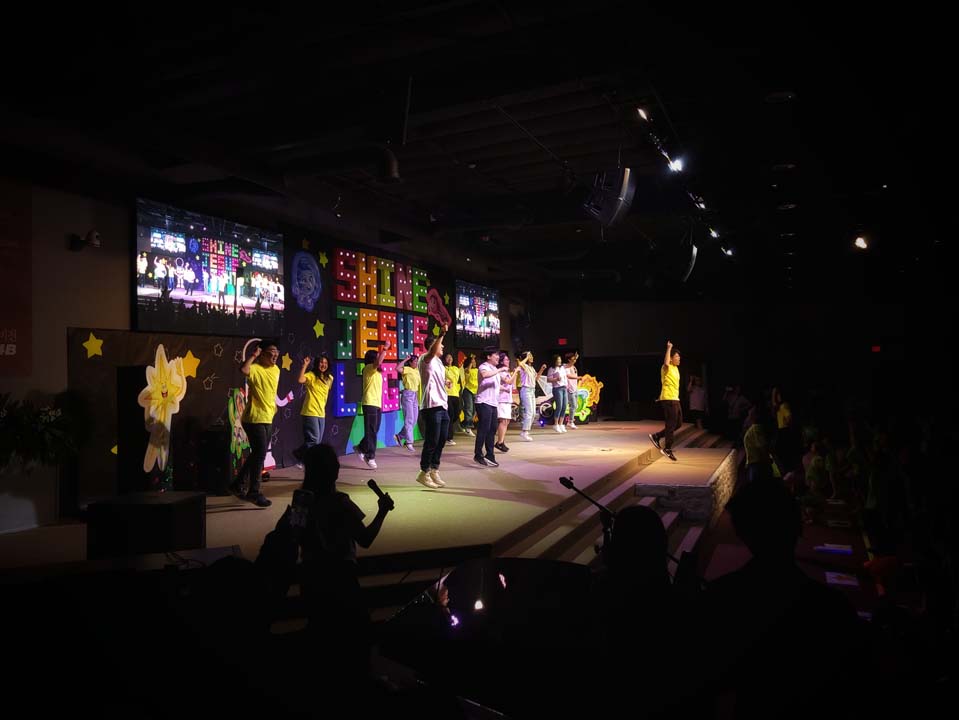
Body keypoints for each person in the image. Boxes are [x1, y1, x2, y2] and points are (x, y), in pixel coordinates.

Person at [231, 340, 280, 506]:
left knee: (258, 454)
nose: (275, 356)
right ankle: (254, 492)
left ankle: (238, 484)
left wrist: (273, 406)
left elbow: (270, 390)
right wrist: (254, 355)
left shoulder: (276, 370)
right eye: (271, 352)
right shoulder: (255, 368)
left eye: (277, 353)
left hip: (268, 417)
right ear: (263, 354)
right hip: (253, 418)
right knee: (259, 454)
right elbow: (244, 369)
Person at [417, 324, 450, 489]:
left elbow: (436, 380)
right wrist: (441, 334)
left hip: (442, 405)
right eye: (440, 344)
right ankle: (424, 472)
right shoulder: (425, 358)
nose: (442, 347)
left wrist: (446, 382)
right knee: (432, 440)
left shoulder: (439, 363)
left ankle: (434, 469)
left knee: (442, 439)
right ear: (433, 345)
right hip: (431, 406)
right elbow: (431, 352)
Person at [356, 340, 391, 469]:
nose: (378, 358)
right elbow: (378, 362)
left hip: (377, 404)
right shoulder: (368, 369)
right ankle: (370, 456)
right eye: (377, 356)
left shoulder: (377, 372)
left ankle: (361, 447)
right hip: (369, 403)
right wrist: (385, 349)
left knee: (374, 430)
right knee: (371, 430)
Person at [474, 346, 510, 467]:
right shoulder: (483, 366)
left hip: (493, 403)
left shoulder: (494, 369)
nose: (498, 357)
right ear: (488, 356)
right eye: (496, 355)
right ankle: (478, 454)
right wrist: (500, 370)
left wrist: (504, 388)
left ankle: (490, 455)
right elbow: (485, 375)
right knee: (484, 429)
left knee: (492, 429)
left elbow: (496, 384)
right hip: (483, 402)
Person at [648, 340, 681, 461]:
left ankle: (657, 436)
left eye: (679, 356)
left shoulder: (676, 368)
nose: (679, 358)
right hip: (668, 398)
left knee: (678, 423)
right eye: (676, 356)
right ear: (671, 358)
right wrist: (669, 348)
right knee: (671, 424)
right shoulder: (666, 367)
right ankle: (667, 448)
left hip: (675, 398)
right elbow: (666, 362)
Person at [297, 353, 333, 451]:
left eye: (325, 363)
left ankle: (302, 455)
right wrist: (305, 365)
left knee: (318, 441)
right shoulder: (311, 375)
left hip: (321, 413)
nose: (323, 365)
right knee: (314, 440)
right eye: (321, 362)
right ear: (317, 363)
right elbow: (300, 379)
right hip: (310, 412)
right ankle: (303, 456)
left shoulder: (330, 378)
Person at [516, 351, 546, 441]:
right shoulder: (523, 366)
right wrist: (526, 357)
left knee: (533, 413)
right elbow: (520, 363)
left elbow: (536, 378)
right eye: (530, 356)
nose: (532, 357)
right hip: (526, 390)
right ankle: (524, 432)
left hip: (532, 390)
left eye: (531, 355)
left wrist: (541, 370)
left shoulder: (531, 368)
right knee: (529, 412)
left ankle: (526, 431)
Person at [494, 351, 518, 453]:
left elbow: (512, 384)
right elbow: (508, 381)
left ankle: (501, 441)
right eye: (506, 360)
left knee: (507, 421)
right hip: (501, 399)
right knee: (503, 421)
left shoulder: (507, 372)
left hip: (507, 399)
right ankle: (499, 442)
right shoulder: (500, 372)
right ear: (501, 361)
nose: (508, 361)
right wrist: (515, 372)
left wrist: (514, 374)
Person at [395, 354, 419, 453]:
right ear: (410, 362)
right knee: (409, 419)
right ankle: (409, 442)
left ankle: (400, 436)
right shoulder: (407, 369)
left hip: (415, 395)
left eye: (417, 361)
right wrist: (405, 359)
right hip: (408, 394)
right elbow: (397, 368)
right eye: (415, 361)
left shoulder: (417, 371)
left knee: (414, 420)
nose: (416, 363)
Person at [547, 355, 568, 433]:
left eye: (560, 359)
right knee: (559, 406)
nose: (559, 361)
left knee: (564, 406)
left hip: (564, 387)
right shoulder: (551, 369)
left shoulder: (562, 368)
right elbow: (548, 379)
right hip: (557, 388)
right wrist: (556, 379)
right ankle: (556, 424)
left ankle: (561, 424)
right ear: (554, 360)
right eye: (558, 359)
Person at [444, 353, 461, 445]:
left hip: (455, 393)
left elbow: (455, 378)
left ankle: (446, 428)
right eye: (447, 357)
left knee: (456, 414)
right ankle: (449, 438)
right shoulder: (443, 368)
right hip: (446, 394)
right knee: (450, 414)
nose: (449, 359)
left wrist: (448, 378)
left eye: (450, 357)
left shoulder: (455, 368)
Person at [460, 354, 478, 436]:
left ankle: (464, 424)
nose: (474, 363)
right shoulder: (466, 369)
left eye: (474, 362)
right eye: (472, 362)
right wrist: (471, 360)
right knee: (469, 409)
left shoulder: (477, 370)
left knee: (474, 410)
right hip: (468, 391)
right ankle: (468, 428)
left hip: (476, 391)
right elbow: (468, 371)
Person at [564, 352, 581, 429]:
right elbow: (568, 376)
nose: (574, 360)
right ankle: (570, 422)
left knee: (575, 406)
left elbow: (573, 363)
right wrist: (578, 378)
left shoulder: (573, 367)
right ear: (569, 359)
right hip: (569, 389)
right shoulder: (565, 367)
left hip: (575, 388)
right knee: (573, 405)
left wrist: (575, 357)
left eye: (575, 358)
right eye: (573, 358)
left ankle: (570, 421)